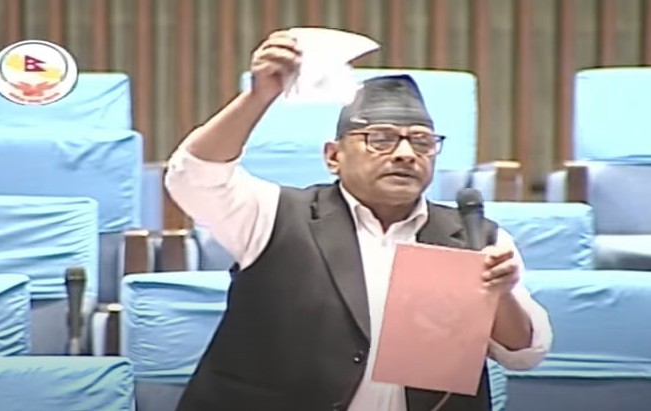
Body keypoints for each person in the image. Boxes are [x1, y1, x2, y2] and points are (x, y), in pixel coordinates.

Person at [164, 30, 553, 411]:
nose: (405, 154)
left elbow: (523, 353)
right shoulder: (274, 214)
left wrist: (499, 294)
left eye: (421, 142)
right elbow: (192, 176)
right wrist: (258, 97)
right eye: (380, 139)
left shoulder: (472, 236)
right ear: (334, 156)